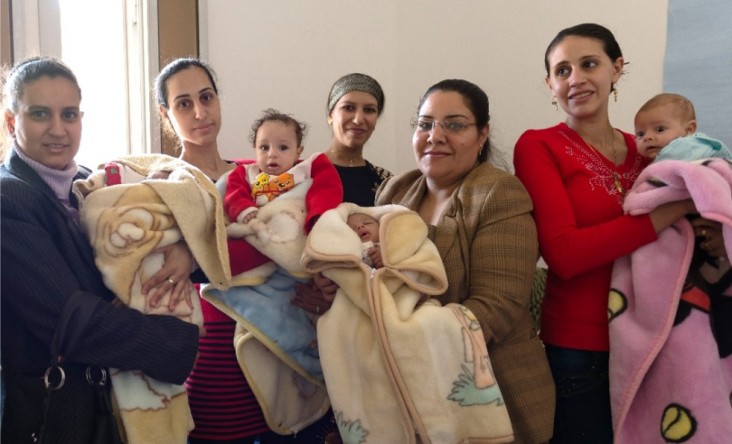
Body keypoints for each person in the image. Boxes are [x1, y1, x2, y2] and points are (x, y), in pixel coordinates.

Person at [512, 23, 724, 443]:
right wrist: (676, 207)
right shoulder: (539, 146)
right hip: (580, 346)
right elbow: (566, 254)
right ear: (550, 84)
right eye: (562, 71)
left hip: (661, 336)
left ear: (617, 69)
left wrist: (712, 231)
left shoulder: (653, 149)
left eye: (589, 64)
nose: (575, 79)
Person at [0, 56, 200, 443]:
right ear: (12, 122)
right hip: (52, 416)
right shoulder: (9, 200)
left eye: (69, 114)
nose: (58, 129)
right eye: (41, 114)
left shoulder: (88, 183)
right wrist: (178, 344)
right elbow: (71, 321)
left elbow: (152, 236)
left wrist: (186, 254)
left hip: (110, 407)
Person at [155, 58, 337, 444]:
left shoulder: (260, 176)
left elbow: (297, 238)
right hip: (207, 364)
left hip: (277, 349)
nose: (200, 112)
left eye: (207, 97)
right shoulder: (164, 187)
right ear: (165, 114)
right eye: (184, 104)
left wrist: (321, 290)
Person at [376, 79, 555, 443]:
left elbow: (496, 308)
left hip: (492, 395)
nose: (435, 136)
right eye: (425, 124)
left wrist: (398, 338)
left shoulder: (498, 192)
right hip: (404, 395)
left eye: (454, 125)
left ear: (482, 134)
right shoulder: (395, 190)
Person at [221, 108, 342, 277]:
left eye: (283, 147)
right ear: (254, 149)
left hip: (294, 228)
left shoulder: (305, 169)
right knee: (232, 255)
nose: (272, 154)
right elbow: (233, 193)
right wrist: (243, 209)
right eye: (264, 147)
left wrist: (318, 216)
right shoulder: (246, 173)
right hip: (260, 230)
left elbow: (327, 186)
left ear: (298, 151)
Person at [323, 73, 391, 207]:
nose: (358, 119)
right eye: (348, 108)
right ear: (331, 115)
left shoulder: (386, 182)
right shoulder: (304, 173)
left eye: (369, 110)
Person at [634, 92, 732, 162]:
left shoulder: (686, 147)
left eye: (660, 129)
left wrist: (637, 190)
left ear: (688, 129)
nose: (647, 137)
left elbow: (659, 178)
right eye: (640, 134)